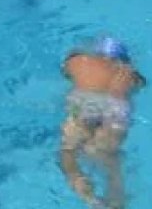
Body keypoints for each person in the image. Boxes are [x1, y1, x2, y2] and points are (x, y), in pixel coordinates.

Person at [59, 38, 145, 209]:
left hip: (83, 103)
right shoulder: (128, 72)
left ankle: (87, 195)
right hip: (116, 103)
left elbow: (65, 70)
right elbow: (141, 84)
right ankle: (115, 203)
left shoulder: (78, 62)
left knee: (68, 152)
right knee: (109, 160)